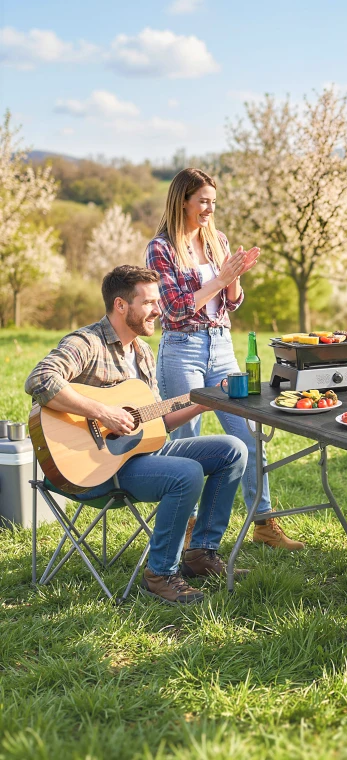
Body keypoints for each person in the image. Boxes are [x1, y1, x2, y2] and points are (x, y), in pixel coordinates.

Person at [25, 266, 248, 605]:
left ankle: (200, 553)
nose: (159, 310)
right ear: (120, 305)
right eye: (149, 303)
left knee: (232, 449)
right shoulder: (86, 343)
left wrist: (203, 403)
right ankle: (160, 574)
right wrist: (103, 413)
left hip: (136, 456)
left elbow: (155, 422)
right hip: (92, 468)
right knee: (186, 474)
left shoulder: (142, 353)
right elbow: (40, 380)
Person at [146, 168, 303, 552]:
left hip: (221, 346)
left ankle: (263, 522)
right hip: (182, 348)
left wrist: (233, 279)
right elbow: (176, 308)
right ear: (182, 200)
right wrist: (219, 279)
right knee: (188, 440)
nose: (209, 209)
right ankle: (187, 527)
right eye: (202, 201)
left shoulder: (218, 240)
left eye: (213, 202)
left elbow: (230, 302)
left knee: (247, 433)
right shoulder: (161, 248)